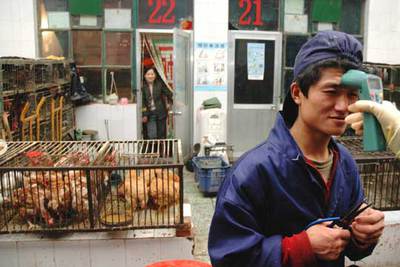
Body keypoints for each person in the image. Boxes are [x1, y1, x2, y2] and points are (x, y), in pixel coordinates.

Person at [208, 31, 385, 267]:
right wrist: (300, 247)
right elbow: (228, 258)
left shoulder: (345, 163)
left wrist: (363, 235)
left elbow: (350, 248)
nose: (343, 106)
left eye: (352, 95)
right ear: (297, 93)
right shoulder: (253, 172)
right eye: (331, 92)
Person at [141, 66, 173, 139]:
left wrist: (176, 100)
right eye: (148, 74)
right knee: (151, 135)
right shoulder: (142, 86)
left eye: (152, 74)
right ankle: (153, 150)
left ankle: (162, 150)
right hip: (149, 114)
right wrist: (144, 114)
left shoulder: (159, 83)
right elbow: (142, 101)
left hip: (161, 112)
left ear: (155, 75)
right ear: (145, 75)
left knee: (161, 135)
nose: (150, 76)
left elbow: (168, 93)